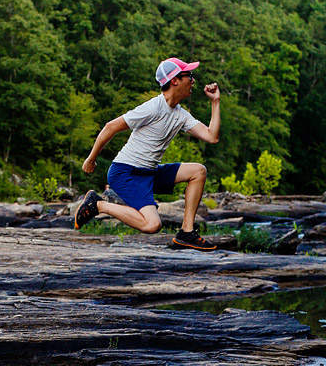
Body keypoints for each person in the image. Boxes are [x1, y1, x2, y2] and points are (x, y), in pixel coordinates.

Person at [74, 57, 221, 252]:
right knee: (152, 225)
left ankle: (187, 232)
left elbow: (212, 136)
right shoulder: (153, 107)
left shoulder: (181, 114)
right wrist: (91, 158)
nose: (193, 80)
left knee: (198, 171)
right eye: (189, 76)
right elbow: (111, 127)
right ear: (175, 80)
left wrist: (215, 102)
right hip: (126, 173)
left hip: (149, 173)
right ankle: (98, 205)